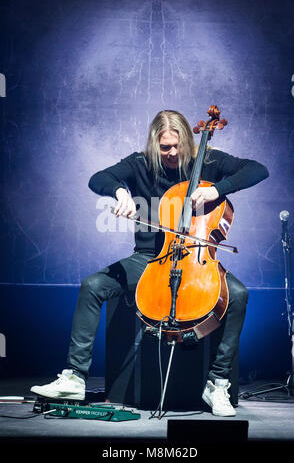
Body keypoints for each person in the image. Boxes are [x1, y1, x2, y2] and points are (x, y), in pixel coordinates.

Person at [30, 110, 269, 417]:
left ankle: (217, 382)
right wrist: (119, 192)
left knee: (237, 295)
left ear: (188, 140)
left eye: (176, 146)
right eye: (164, 147)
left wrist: (216, 189)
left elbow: (258, 170)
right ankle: (75, 377)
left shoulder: (208, 161)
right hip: (149, 260)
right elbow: (98, 178)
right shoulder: (141, 163)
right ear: (154, 146)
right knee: (93, 285)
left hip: (197, 258)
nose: (171, 153)